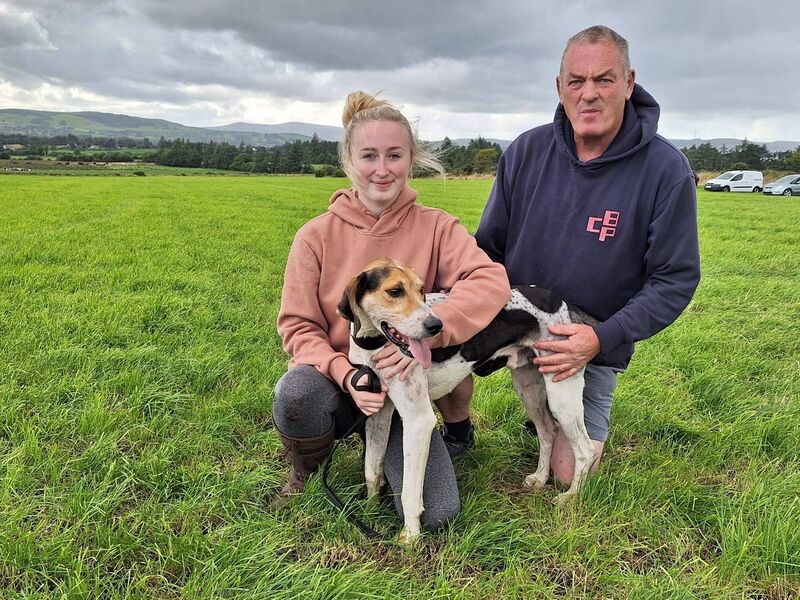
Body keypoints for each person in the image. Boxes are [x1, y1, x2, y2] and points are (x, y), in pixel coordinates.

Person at [471, 25, 701, 485]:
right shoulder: (525, 152)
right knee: (432, 345)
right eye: (576, 81)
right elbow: (486, 250)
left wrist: (600, 339)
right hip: (520, 322)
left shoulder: (664, 170)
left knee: (566, 473)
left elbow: (675, 279)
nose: (589, 94)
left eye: (604, 80)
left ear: (629, 83)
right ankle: (455, 434)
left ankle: (573, 421)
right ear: (560, 87)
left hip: (591, 340)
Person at [272, 91, 511, 528]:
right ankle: (303, 471)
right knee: (297, 392)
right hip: (339, 380)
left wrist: (434, 331)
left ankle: (412, 447)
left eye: (394, 155)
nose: (382, 170)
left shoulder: (437, 226)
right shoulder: (314, 236)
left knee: (437, 513)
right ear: (349, 161)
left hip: (403, 388)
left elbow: (490, 281)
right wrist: (346, 373)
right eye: (369, 155)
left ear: (411, 159)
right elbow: (298, 326)